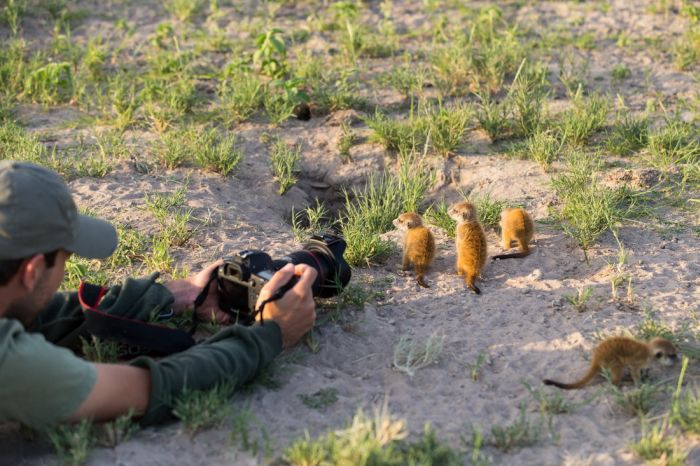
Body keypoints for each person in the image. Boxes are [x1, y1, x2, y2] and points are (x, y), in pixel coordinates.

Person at [0, 161, 317, 428]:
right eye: (67, 259)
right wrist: (270, 333)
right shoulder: (12, 365)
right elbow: (154, 387)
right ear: (32, 271)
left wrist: (174, 294)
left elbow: (43, 316)